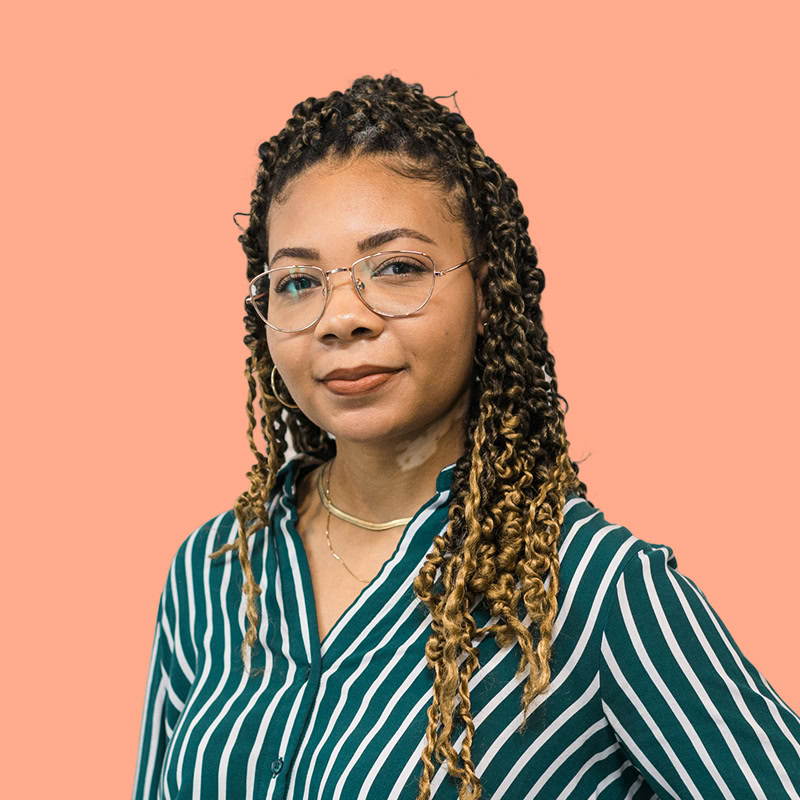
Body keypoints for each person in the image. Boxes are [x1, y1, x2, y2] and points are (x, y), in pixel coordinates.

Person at [132, 75, 800, 800]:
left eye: (397, 268)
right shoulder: (213, 572)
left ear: (486, 293)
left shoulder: (592, 588)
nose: (341, 318)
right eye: (299, 281)